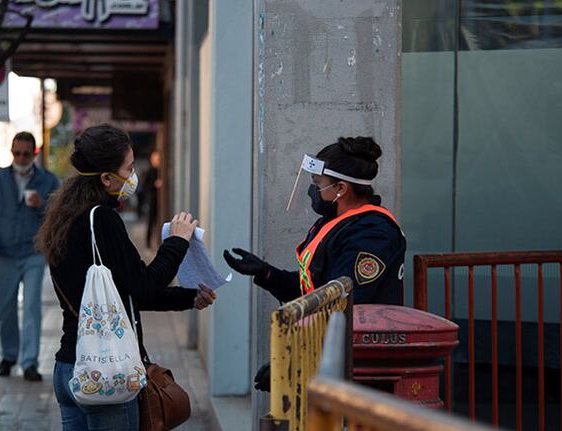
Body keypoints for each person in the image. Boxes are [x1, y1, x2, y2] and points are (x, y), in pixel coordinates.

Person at [36, 124, 216, 430]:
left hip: (69, 368)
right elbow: (144, 287)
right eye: (128, 169)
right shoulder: (102, 219)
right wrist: (177, 241)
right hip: (106, 374)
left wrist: (188, 297)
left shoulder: (64, 218)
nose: (132, 177)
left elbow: (123, 295)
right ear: (107, 178)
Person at [223, 137, 406, 390]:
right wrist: (267, 274)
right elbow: (316, 290)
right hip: (329, 354)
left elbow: (342, 305)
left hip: (358, 367)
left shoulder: (372, 234)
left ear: (341, 188)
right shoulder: (336, 222)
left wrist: (293, 364)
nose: (312, 192)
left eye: (317, 184)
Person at [0, 131, 60, 381]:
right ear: (12, 152)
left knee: (32, 306)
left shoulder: (47, 181)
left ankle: (29, 362)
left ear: (34, 153)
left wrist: (42, 204)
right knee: (6, 307)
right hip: (2, 253)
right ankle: (9, 355)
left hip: (33, 253)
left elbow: (60, 214)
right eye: (17, 153)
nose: (21, 158)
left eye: (26, 153)